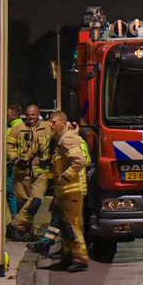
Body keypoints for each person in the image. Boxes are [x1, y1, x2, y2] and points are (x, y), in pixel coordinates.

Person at [48, 111, 89, 272]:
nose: (51, 125)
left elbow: (79, 161)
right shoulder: (60, 139)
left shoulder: (67, 138)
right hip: (64, 190)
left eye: (54, 122)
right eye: (50, 122)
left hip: (71, 190)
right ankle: (68, 256)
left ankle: (80, 258)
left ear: (63, 122)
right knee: (66, 226)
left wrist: (65, 178)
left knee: (73, 226)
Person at [7, 104, 53, 241]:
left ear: (38, 114)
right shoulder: (17, 129)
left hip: (40, 171)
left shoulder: (47, 127)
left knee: (36, 200)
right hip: (22, 171)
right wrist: (16, 159)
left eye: (32, 115)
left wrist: (49, 157)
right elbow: (8, 146)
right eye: (27, 115)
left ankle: (15, 225)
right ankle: (26, 231)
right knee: (23, 202)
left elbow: (58, 136)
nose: (30, 117)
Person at [4, 103, 24, 219]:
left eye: (7, 114)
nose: (6, 116)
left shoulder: (10, 130)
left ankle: (16, 218)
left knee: (11, 193)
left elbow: (6, 149)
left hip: (12, 164)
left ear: (13, 115)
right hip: (24, 164)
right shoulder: (25, 127)